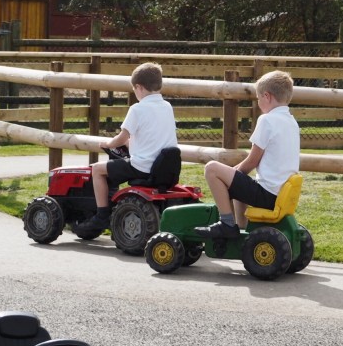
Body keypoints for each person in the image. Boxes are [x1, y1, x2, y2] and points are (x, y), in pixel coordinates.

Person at [194, 70, 300, 239]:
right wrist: (234, 176)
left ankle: (227, 224)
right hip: (280, 193)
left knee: (212, 168)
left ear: (267, 96)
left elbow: (252, 161)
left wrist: (233, 173)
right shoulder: (291, 122)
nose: (258, 103)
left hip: (267, 194)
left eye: (258, 99)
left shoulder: (267, 120)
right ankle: (242, 228)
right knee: (240, 184)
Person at [76, 62, 178, 233]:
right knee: (117, 165)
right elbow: (148, 139)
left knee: (97, 170)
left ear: (138, 87)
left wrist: (107, 144)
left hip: (142, 168)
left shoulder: (137, 109)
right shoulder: (167, 107)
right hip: (164, 168)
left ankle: (101, 215)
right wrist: (127, 144)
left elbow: (122, 137)